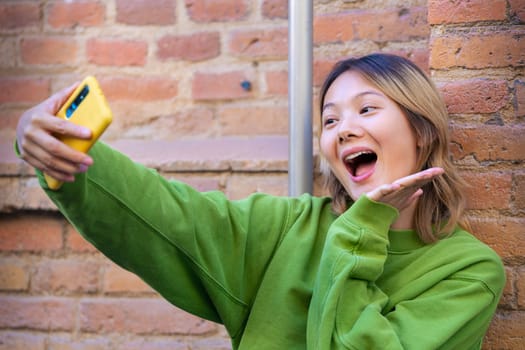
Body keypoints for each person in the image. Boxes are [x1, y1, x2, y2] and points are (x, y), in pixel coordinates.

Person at [15, 53, 504, 349]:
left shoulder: (468, 272)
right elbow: (169, 217)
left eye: (367, 109)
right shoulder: (287, 228)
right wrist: (60, 154)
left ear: (421, 131)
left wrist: (362, 230)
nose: (344, 128)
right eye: (330, 120)